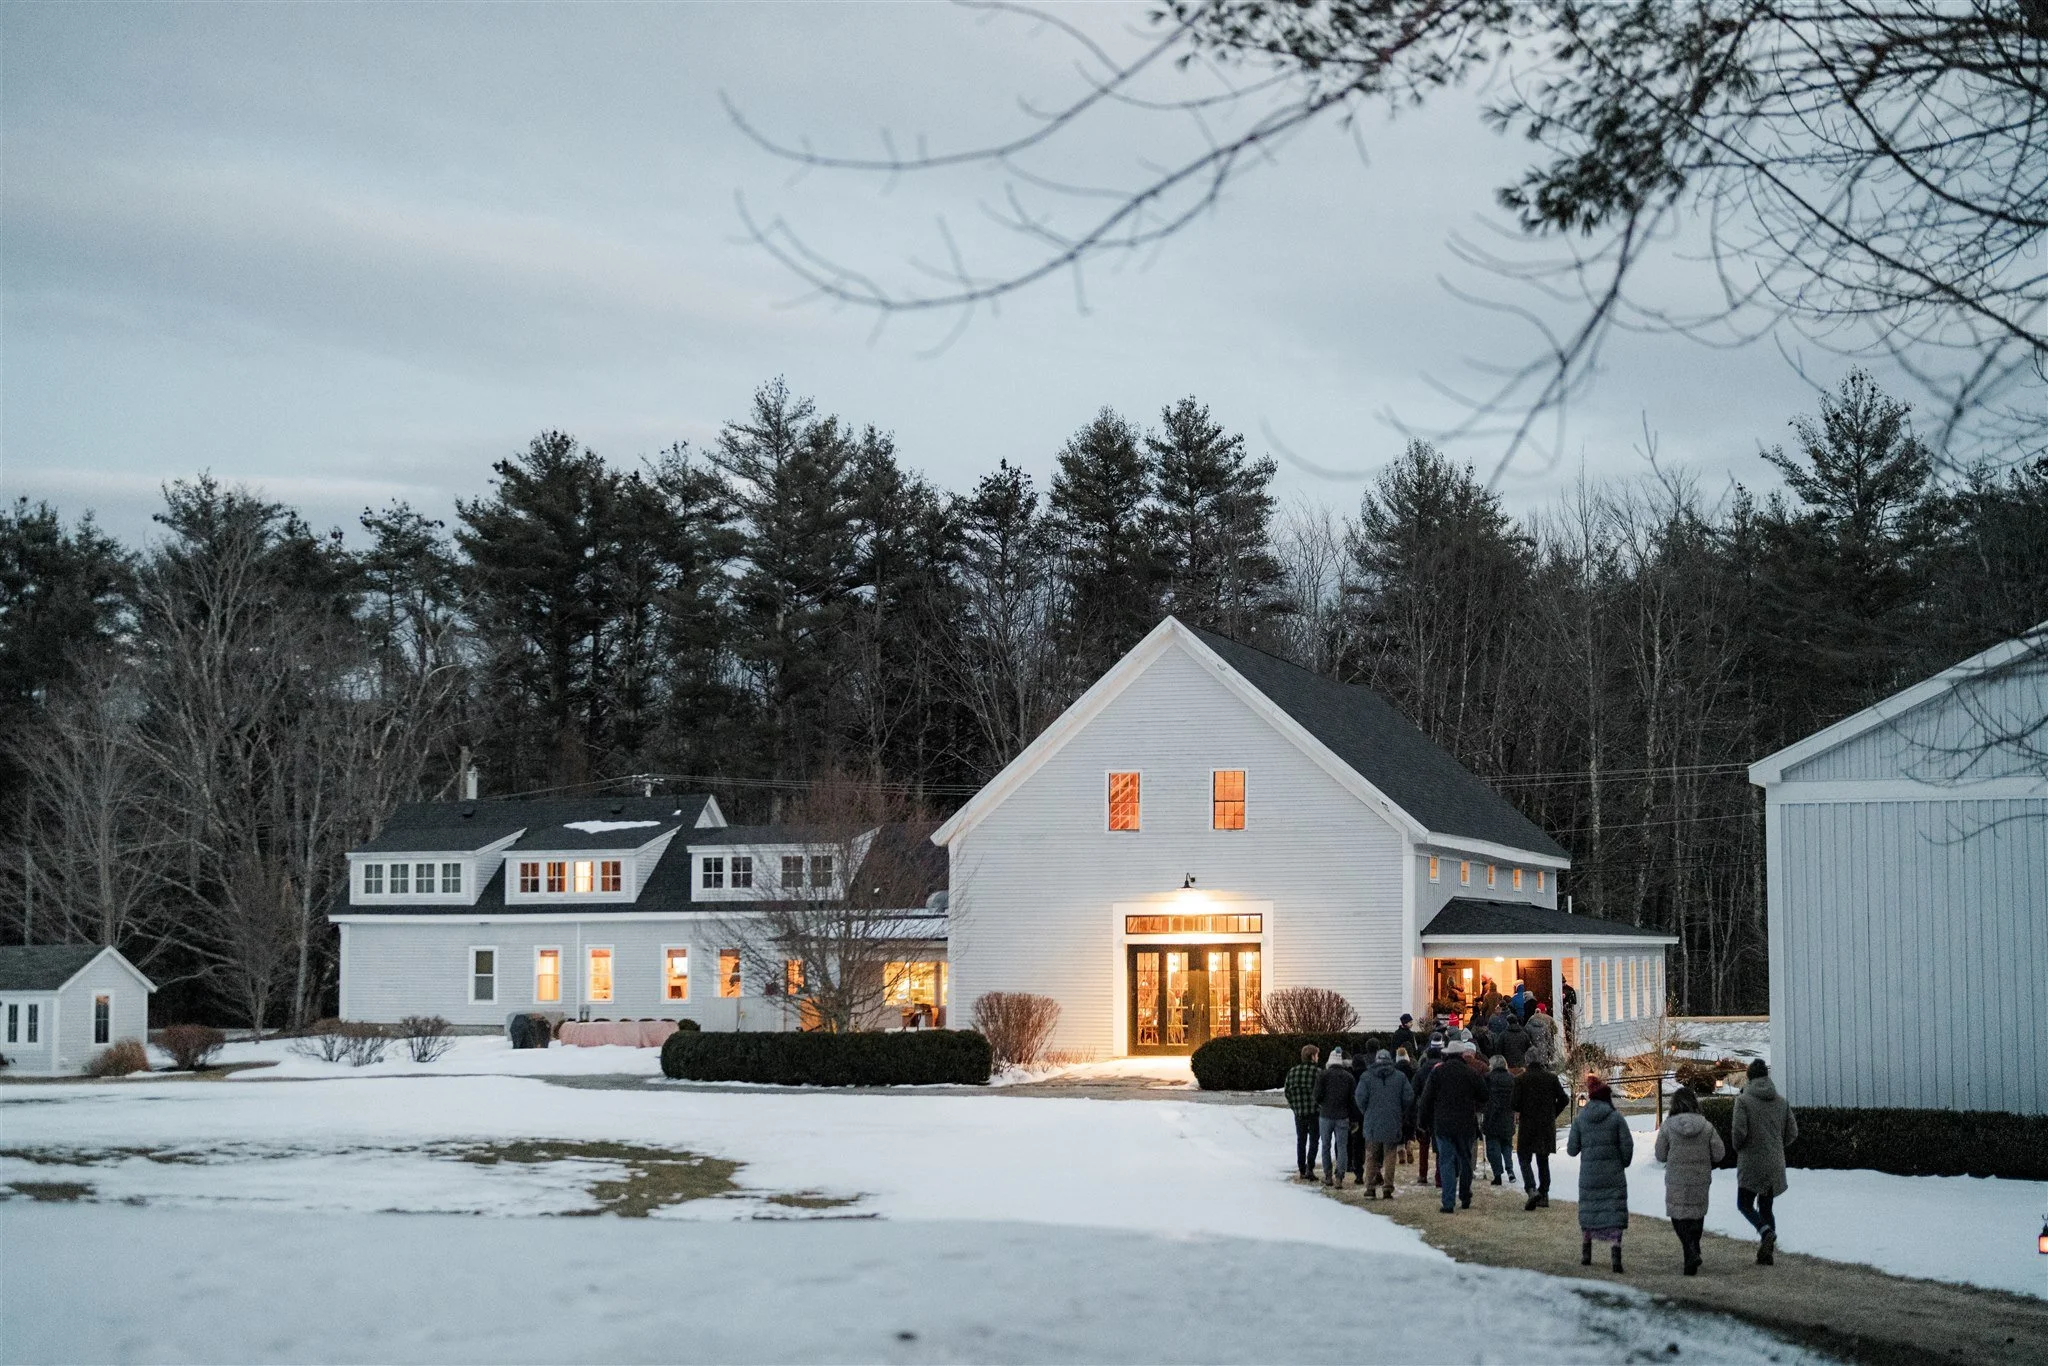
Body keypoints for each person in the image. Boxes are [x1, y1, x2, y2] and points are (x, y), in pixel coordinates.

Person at [1732, 1058, 1798, 1265]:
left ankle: (1764, 1231)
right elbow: (1792, 1132)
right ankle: (1767, 1252)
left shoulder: (1743, 1101)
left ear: (1749, 1077)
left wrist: (1738, 1146)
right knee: (1766, 1206)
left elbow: (1739, 1133)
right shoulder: (1781, 1101)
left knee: (1744, 1203)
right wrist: (1777, 1146)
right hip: (1774, 1161)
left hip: (1752, 1161)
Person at [1568, 1074, 1635, 1272]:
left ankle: (1586, 1252)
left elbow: (1572, 1149)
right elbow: (1627, 1146)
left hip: (1589, 1175)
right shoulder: (1616, 1118)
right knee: (1613, 1212)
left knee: (1590, 1211)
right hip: (1613, 1174)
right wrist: (1622, 1163)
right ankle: (1615, 1254)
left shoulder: (1581, 1119)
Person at [1655, 1087, 1725, 1275]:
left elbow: (1660, 1155)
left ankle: (1690, 1250)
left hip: (1676, 1179)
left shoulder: (1668, 1126)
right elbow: (1719, 1154)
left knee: (1678, 1216)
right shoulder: (1707, 1126)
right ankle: (1693, 1248)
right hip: (1700, 1178)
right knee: (1697, 1215)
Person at [1417, 1040, 1487, 1211]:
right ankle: (1464, 1196)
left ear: (1447, 1054)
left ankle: (1448, 1203)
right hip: (1466, 1124)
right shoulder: (1471, 1073)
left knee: (1446, 1161)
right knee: (1465, 1161)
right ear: (1463, 1055)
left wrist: (1422, 1122)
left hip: (1443, 1124)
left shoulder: (1437, 1073)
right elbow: (1484, 1095)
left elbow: (1426, 1100)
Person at [1353, 1049, 1414, 1199]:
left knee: (1371, 1155)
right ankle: (1387, 1188)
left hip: (1372, 1121)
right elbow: (1408, 1096)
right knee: (1390, 1155)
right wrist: (1400, 1110)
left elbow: (1359, 1097)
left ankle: (1370, 1188)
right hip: (1392, 1120)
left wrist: (1366, 1111)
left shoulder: (1366, 1077)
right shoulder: (1400, 1077)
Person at [1512, 1054, 1568, 1208]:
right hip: (1546, 1125)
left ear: (1527, 1062)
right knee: (1543, 1160)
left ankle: (1531, 1189)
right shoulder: (1551, 1078)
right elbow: (1564, 1099)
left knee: (1524, 1158)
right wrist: (1553, 1114)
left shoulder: (1521, 1079)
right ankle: (1544, 1193)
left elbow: (1514, 1104)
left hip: (1528, 1124)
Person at [1315, 1047, 1356, 1187]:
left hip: (1326, 1115)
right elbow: (1352, 1100)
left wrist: (1323, 1104)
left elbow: (1317, 1096)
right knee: (1342, 1146)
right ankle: (1339, 1176)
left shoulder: (1323, 1075)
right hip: (1343, 1116)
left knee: (1325, 1145)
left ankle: (1328, 1175)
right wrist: (1353, 1118)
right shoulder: (1348, 1077)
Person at [1283, 1044, 1323, 1180]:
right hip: (1314, 1112)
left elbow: (1287, 1091)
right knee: (1314, 1141)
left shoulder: (1292, 1072)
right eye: (1317, 1055)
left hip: (1299, 1112)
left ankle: (1301, 1168)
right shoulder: (1318, 1073)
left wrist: (1294, 1106)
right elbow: (1322, 1092)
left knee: (1301, 1140)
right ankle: (1310, 1168)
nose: (1318, 1058)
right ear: (1312, 1056)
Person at [1412, 1034, 1446, 1186]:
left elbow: (1414, 1090)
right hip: (1440, 1110)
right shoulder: (1444, 1068)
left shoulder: (1421, 1071)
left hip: (1424, 1109)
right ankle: (1440, 1176)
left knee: (1423, 1145)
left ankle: (1422, 1174)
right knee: (1440, 1147)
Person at [1482, 1054, 1518, 1186]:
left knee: (1493, 1146)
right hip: (1508, 1116)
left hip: (1492, 1115)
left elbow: (1483, 1095)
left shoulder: (1488, 1078)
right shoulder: (1512, 1079)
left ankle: (1497, 1174)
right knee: (1507, 1145)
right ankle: (1510, 1169)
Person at [1526, 1003, 1559, 1067]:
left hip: (1533, 1047)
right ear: (1544, 1010)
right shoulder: (1549, 1018)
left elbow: (1526, 1030)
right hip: (1545, 1046)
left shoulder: (1531, 1018)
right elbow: (1555, 1031)